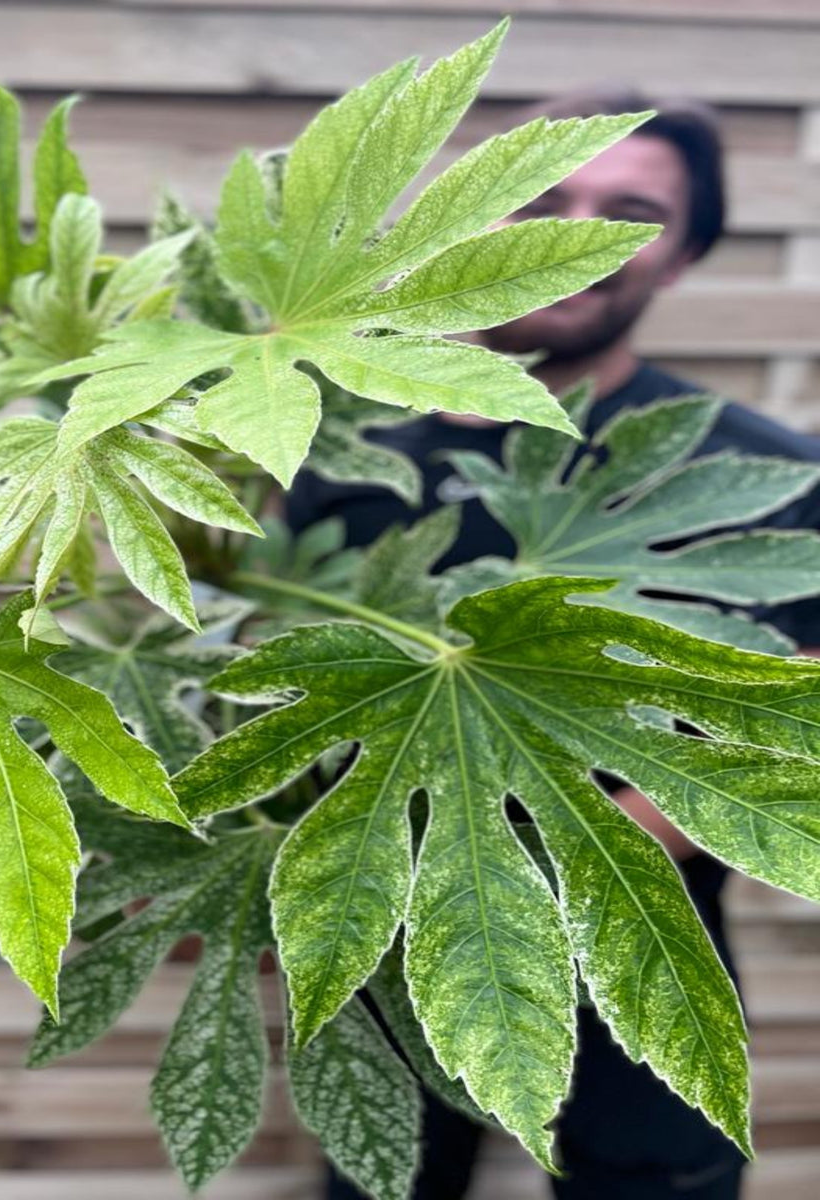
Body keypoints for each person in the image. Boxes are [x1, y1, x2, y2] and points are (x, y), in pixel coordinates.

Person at [287, 90, 820, 1200]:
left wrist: (560, 862)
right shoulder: (345, 454)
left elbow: (795, 715)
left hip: (636, 933)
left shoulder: (758, 477)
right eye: (546, 201)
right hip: (379, 941)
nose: (579, 234)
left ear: (683, 257)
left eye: (629, 212)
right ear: (484, 224)